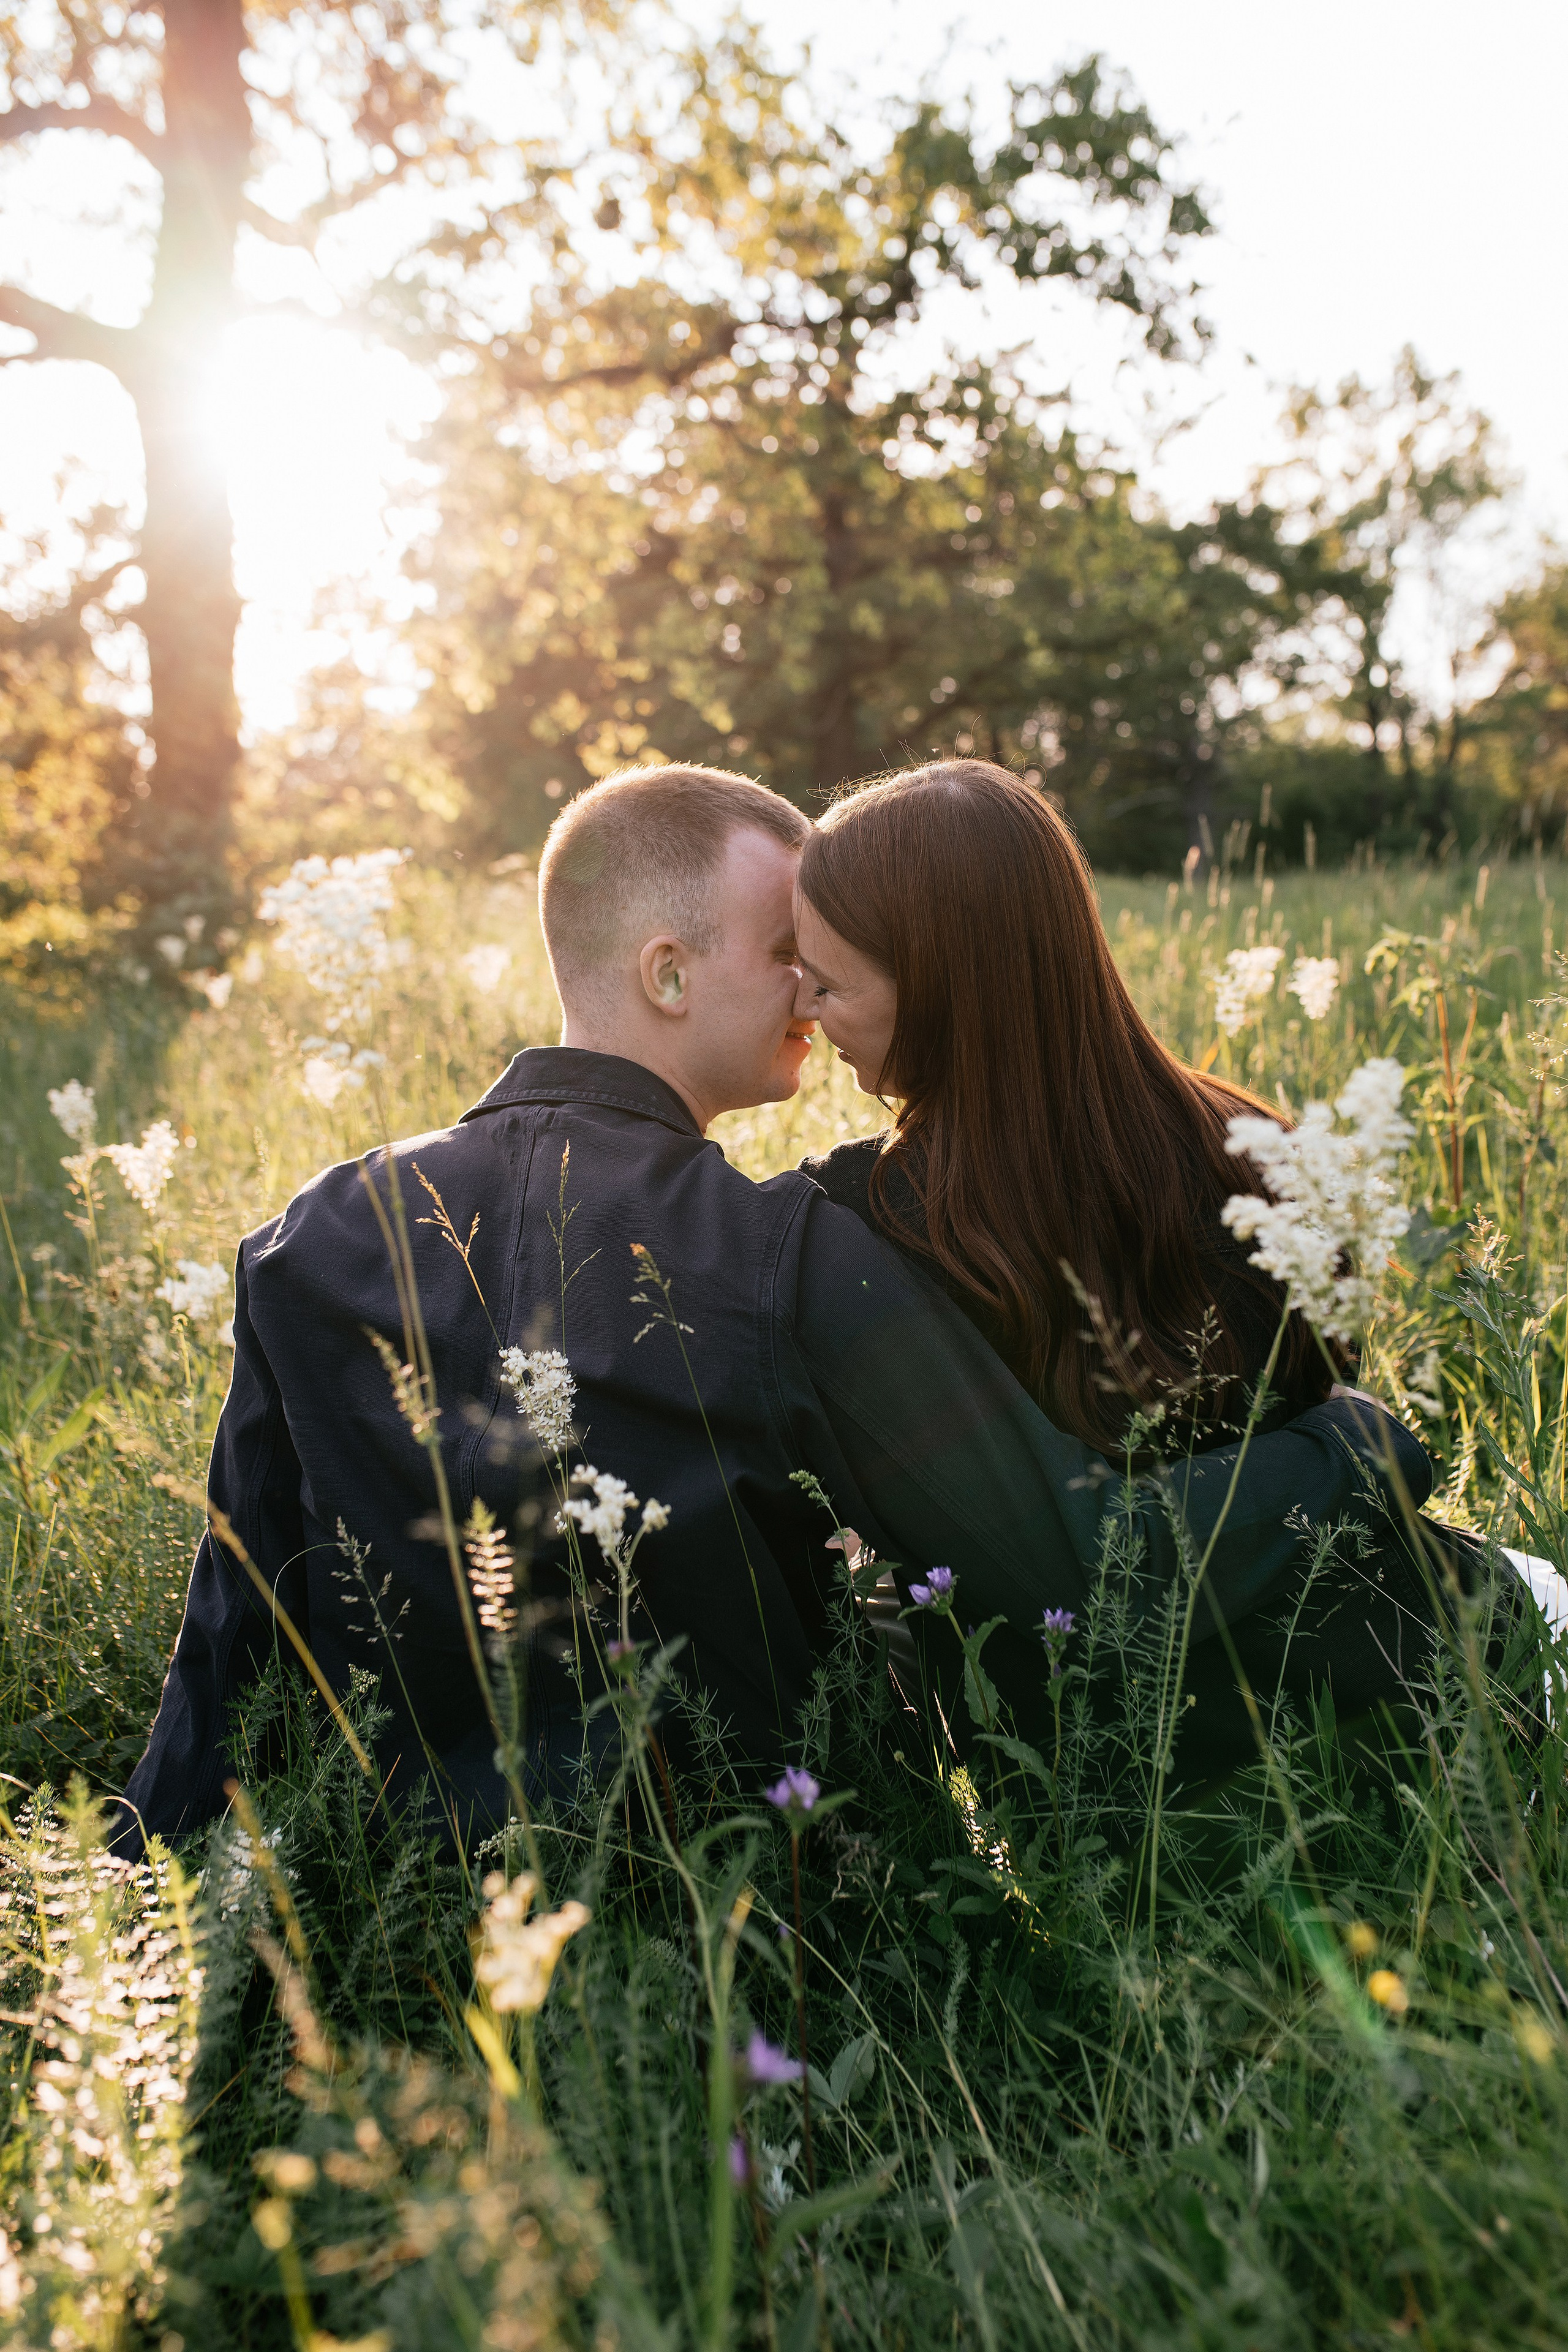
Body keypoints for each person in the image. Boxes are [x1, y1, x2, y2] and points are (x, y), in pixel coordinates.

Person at [111, 764, 1433, 1859]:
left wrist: (150, 1911)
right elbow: (1057, 1562)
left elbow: (236, 1628)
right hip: (750, 1918)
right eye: (789, 955)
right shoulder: (788, 1248)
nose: (811, 996)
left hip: (406, 1904)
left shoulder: (309, 1230)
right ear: (669, 974)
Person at [792, 757, 1513, 1750]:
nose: (808, 1012)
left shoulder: (871, 1223)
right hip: (1415, 1678)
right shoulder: (1258, 1138)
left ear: (944, 982)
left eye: (830, 983)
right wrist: (1364, 1445)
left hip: (1185, 1776)